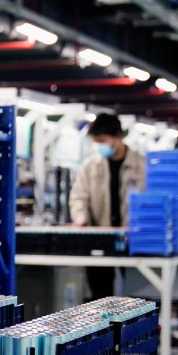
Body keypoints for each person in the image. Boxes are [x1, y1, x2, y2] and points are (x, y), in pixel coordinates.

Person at [69, 113, 145, 299]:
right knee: (100, 298)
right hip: (100, 239)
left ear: (118, 136)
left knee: (138, 297)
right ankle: (107, 328)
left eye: (102, 140)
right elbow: (78, 197)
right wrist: (80, 218)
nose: (99, 145)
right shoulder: (89, 167)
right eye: (96, 141)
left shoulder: (142, 166)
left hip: (134, 239)